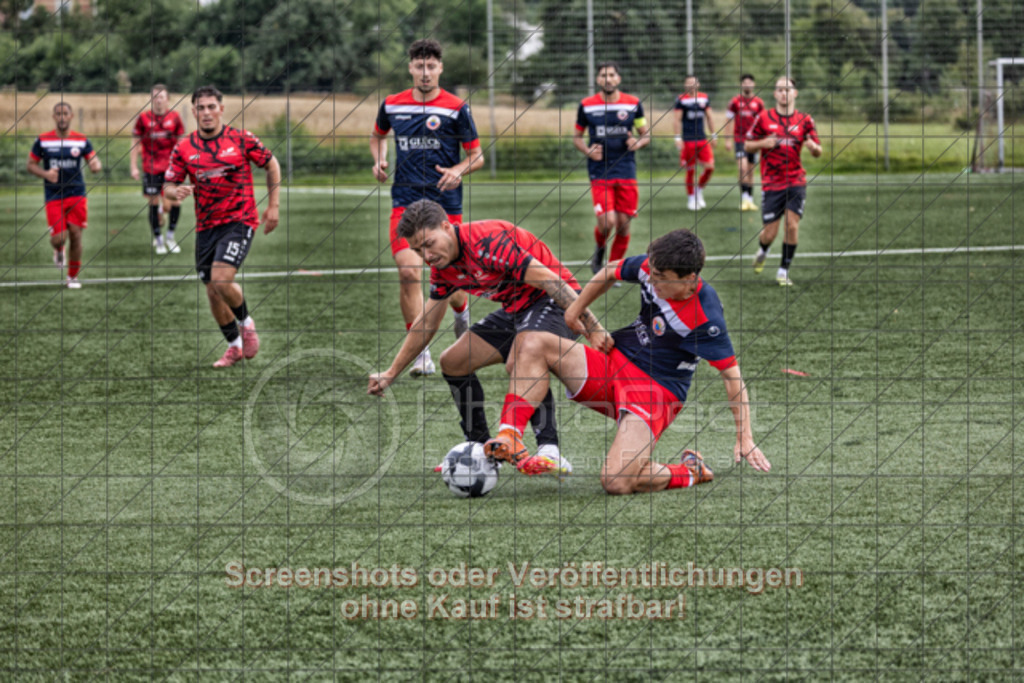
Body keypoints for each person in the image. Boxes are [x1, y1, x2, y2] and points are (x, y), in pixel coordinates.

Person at [487, 228, 771, 495]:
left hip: (655, 393)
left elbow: (732, 377)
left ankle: (689, 472)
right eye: (653, 272)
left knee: (616, 481)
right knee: (531, 342)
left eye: (661, 277)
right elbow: (610, 271)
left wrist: (744, 437)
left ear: (689, 279)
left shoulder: (705, 318)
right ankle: (510, 434)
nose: (652, 279)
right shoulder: (652, 267)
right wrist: (576, 310)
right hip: (614, 363)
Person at [367, 199, 591, 477]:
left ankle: (550, 451)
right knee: (453, 361)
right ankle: (482, 447)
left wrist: (594, 329)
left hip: (555, 302)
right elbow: (426, 323)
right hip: (517, 310)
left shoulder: (487, 241)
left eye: (428, 243)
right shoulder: (443, 267)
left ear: (447, 227)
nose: (425, 255)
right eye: (417, 250)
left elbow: (551, 282)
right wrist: (391, 373)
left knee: (521, 357)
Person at [371, 38, 480, 378]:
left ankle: (462, 315)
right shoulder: (391, 104)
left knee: (451, 282)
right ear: (410, 68)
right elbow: (377, 136)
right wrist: (379, 159)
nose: (425, 72)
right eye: (419, 66)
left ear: (440, 68)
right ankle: (422, 353)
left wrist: (457, 170)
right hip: (405, 201)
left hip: (445, 204)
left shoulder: (456, 107)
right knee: (408, 273)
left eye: (431, 66)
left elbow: (476, 155)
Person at [164, 85, 281, 368]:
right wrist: (174, 192)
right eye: (201, 108)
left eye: (211, 107)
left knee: (221, 278)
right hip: (206, 226)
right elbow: (167, 185)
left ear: (221, 109)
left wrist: (273, 205)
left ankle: (247, 323)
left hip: (239, 220)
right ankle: (234, 346)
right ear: (193, 112)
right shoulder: (184, 147)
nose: (206, 113)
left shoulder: (241, 139)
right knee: (212, 291)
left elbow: (271, 164)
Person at [573, 61, 650, 274]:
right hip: (600, 170)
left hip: (626, 169)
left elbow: (645, 134)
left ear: (618, 78)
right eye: (604, 75)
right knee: (607, 222)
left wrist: (638, 143)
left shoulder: (632, 103)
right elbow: (577, 138)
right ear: (598, 80)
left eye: (612, 75)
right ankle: (600, 250)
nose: (608, 79)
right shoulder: (587, 105)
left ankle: (612, 269)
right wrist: (588, 151)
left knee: (624, 225)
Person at [745, 77, 823, 286]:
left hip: (796, 181)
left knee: (792, 225)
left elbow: (818, 149)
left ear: (795, 93)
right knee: (770, 233)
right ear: (775, 94)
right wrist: (763, 142)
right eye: (780, 89)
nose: (784, 93)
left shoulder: (805, 120)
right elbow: (747, 145)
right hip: (771, 183)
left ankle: (783, 271)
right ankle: (763, 251)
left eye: (787, 89)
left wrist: (814, 148)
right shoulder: (763, 117)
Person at [26, 101, 102, 289]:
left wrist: (95, 165)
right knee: (60, 238)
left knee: (76, 235)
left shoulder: (81, 140)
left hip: (77, 193)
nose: (61, 117)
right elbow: (31, 165)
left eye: (65, 113)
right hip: (54, 195)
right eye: (58, 114)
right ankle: (58, 249)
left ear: (71, 116)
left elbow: (94, 159)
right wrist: (46, 175)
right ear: (54, 117)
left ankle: (72, 276)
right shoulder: (43, 140)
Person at [130, 83, 186, 255]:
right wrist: (134, 166)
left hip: (171, 169)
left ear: (167, 99)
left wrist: (184, 166)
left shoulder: (175, 118)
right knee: (153, 202)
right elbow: (135, 143)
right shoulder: (143, 119)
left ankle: (170, 236)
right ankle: (159, 239)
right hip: (151, 168)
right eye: (155, 96)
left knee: (174, 203)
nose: (158, 100)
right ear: (151, 99)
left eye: (161, 97)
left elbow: (182, 144)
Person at [673, 75, 720, 211]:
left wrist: (714, 135)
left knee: (710, 167)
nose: (691, 85)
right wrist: (677, 137)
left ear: (698, 84)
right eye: (688, 83)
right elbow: (677, 119)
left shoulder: (704, 97)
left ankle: (699, 190)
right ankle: (691, 198)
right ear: (685, 85)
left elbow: (710, 117)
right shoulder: (681, 99)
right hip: (688, 140)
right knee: (690, 170)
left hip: (702, 139)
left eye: (693, 82)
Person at [725, 74, 765, 211]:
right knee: (742, 168)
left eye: (750, 82)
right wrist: (727, 140)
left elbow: (763, 122)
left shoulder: (758, 103)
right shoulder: (735, 102)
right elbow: (728, 121)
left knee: (751, 171)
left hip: (754, 142)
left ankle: (750, 200)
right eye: (745, 82)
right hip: (740, 140)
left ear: (753, 85)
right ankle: (744, 199)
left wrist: (763, 140)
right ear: (741, 85)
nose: (747, 85)